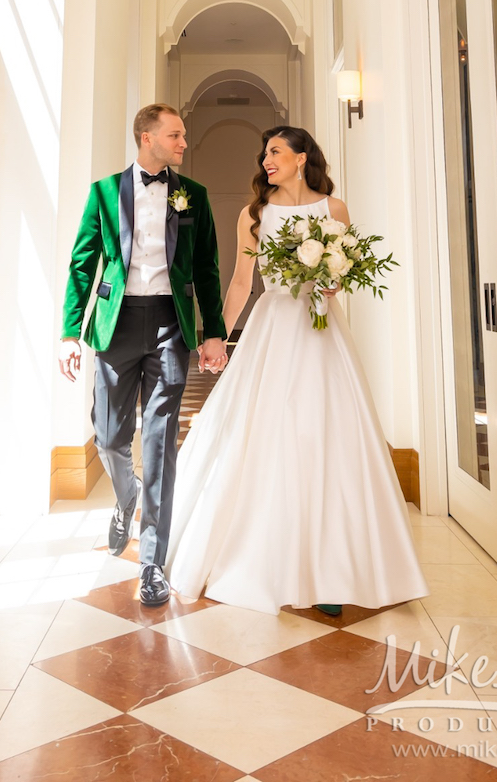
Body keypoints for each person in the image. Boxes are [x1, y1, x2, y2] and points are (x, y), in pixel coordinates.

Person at [164, 125, 431, 616]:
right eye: (264, 153)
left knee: (329, 438)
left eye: (276, 151)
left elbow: (342, 273)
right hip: (274, 327)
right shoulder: (255, 214)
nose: (266, 160)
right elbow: (244, 280)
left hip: (323, 334)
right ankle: (264, 558)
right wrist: (216, 334)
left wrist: (330, 283)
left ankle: (333, 571)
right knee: (269, 435)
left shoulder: (334, 210)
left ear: (302, 157)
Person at [58, 103, 228, 606]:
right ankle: (126, 497)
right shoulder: (105, 192)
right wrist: (71, 333)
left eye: (182, 135)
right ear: (146, 137)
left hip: (170, 327)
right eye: (174, 135)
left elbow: (207, 268)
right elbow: (82, 265)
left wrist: (213, 331)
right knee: (109, 436)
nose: (182, 142)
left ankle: (151, 561)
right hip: (117, 324)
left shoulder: (192, 196)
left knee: (158, 443)